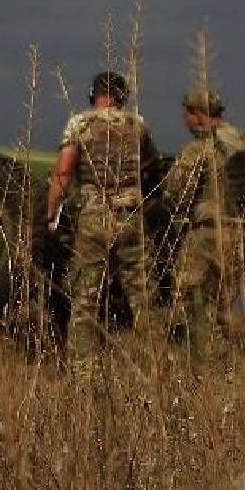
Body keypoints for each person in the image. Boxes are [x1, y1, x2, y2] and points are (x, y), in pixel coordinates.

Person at [159, 88, 245, 356]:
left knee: (187, 300)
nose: (185, 120)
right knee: (221, 305)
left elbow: (175, 193)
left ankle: (193, 363)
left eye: (187, 114)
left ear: (197, 114)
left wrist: (177, 221)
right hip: (241, 234)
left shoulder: (199, 148)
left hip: (205, 234)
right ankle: (222, 365)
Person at [45, 71, 160, 355]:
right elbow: (151, 165)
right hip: (131, 216)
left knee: (86, 296)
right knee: (142, 295)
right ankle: (158, 365)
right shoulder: (137, 125)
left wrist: (51, 213)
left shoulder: (80, 124)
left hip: (95, 217)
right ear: (122, 96)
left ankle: (82, 372)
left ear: (93, 94)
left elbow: (63, 173)